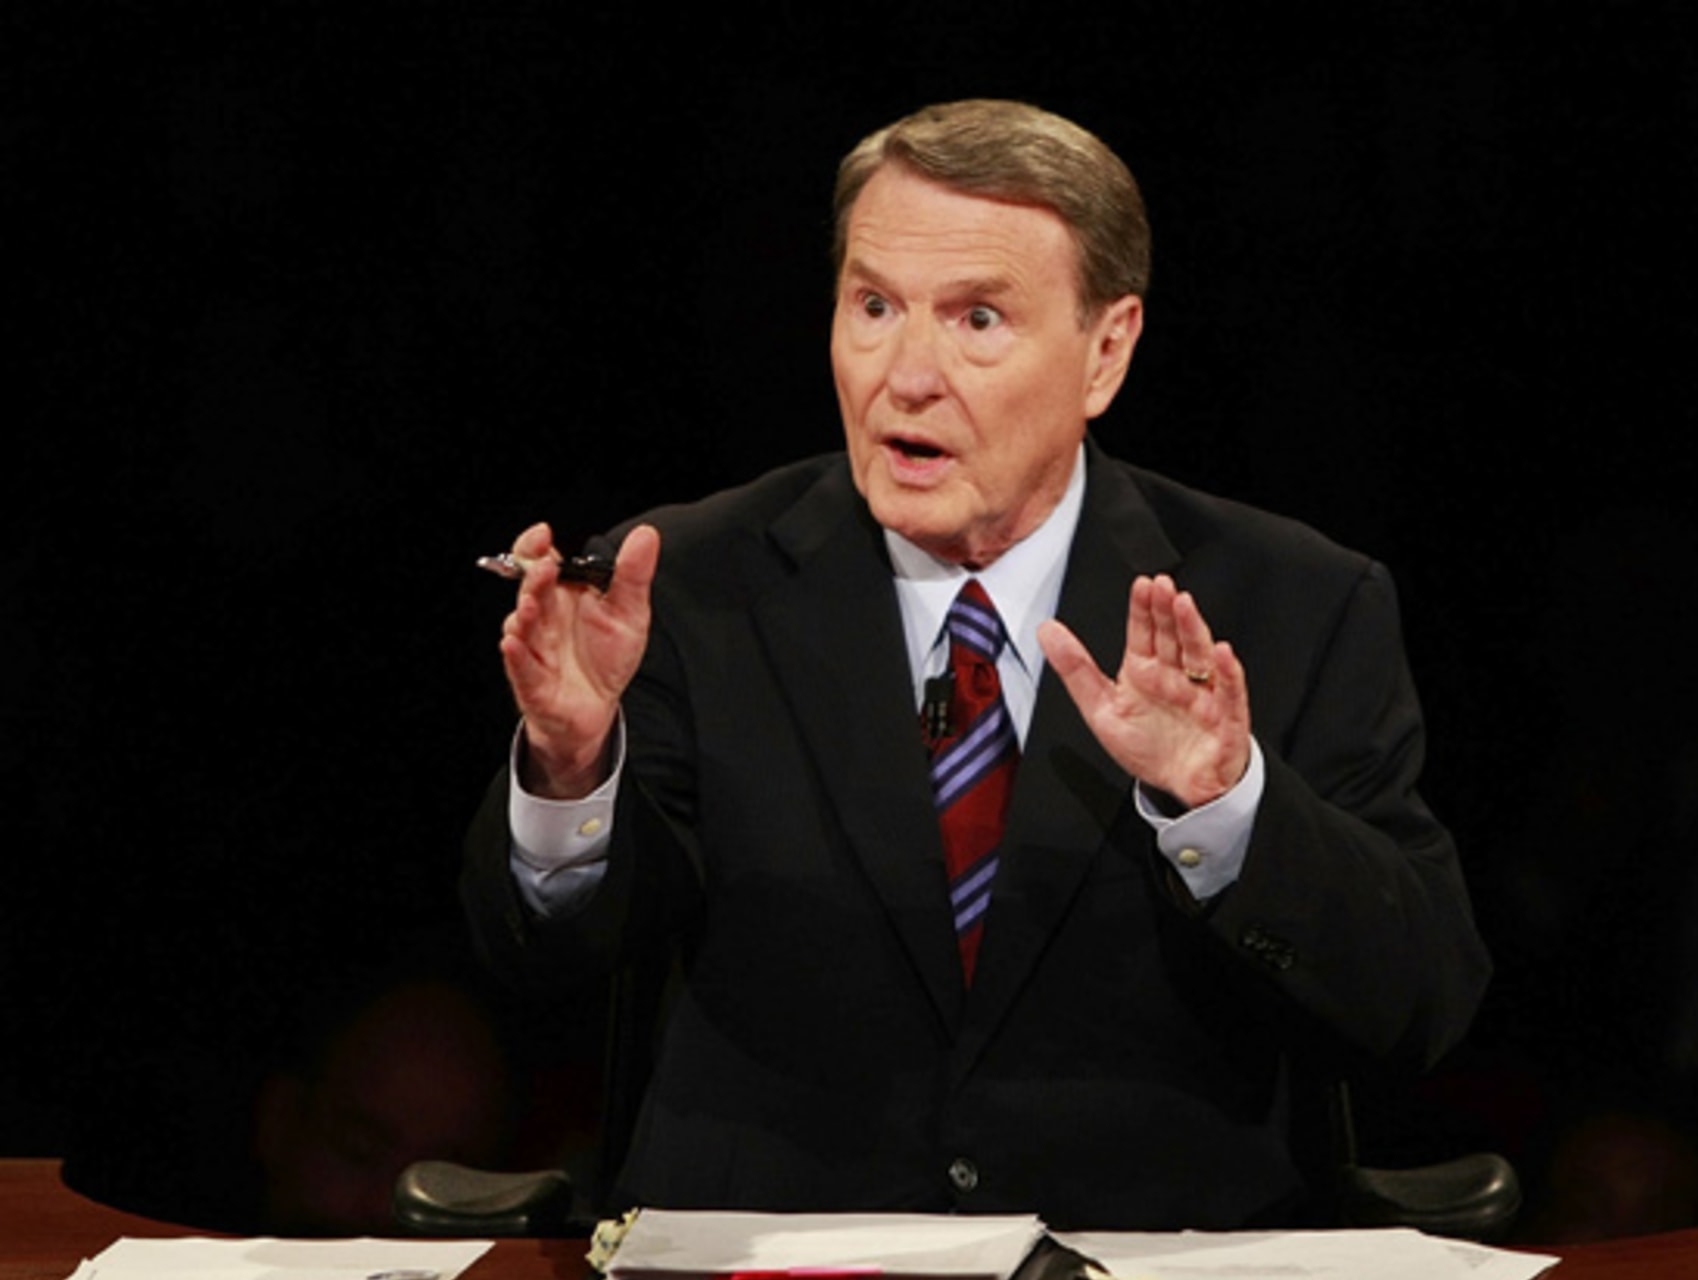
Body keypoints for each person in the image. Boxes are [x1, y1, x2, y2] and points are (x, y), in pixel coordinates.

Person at [462, 99, 1489, 1231]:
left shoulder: (1292, 602)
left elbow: (1422, 998)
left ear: (1107, 349)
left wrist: (1228, 802)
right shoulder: (690, 584)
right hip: (780, 1251)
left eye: (979, 318)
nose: (906, 374)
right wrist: (570, 769)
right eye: (874, 306)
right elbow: (549, 966)